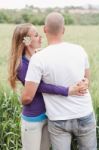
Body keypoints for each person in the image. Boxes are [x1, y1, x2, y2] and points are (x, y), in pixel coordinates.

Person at [21, 12, 97, 150]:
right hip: (84, 112)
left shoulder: (38, 58)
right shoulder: (80, 50)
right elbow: (87, 82)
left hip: (58, 119)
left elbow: (27, 96)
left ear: (45, 29)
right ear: (63, 30)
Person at [8, 23, 88, 150]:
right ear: (27, 40)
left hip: (49, 115)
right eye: (36, 35)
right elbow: (40, 87)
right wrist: (67, 90)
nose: (41, 37)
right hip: (33, 118)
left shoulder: (39, 57)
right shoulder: (21, 65)